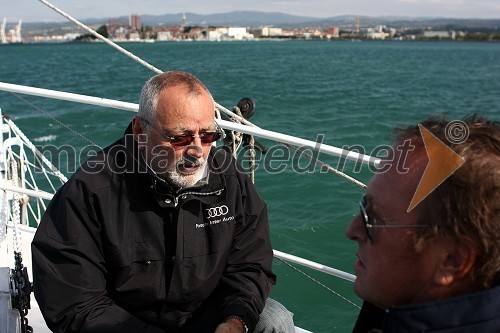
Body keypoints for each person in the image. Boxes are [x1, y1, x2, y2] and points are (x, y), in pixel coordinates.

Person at [32, 71, 295, 333]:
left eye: (207, 136)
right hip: (123, 325)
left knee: (275, 320)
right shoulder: (91, 191)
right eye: (179, 137)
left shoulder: (231, 181)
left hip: (202, 317)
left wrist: (236, 321)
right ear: (139, 130)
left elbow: (249, 264)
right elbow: (76, 303)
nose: (196, 150)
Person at [345, 114, 500, 332]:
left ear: (451, 260)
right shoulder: (392, 304)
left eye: (374, 219)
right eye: (364, 204)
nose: (352, 230)